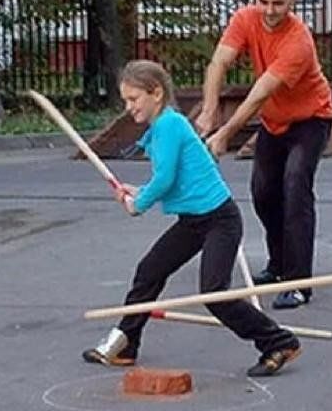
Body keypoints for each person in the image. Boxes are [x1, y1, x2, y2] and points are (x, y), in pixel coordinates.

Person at [84, 60, 303, 377]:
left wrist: (138, 203)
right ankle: (126, 344)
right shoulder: (161, 129)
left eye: (133, 99)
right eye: (126, 100)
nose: (128, 107)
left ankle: (278, 342)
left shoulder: (170, 126)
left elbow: (165, 179)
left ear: (156, 93)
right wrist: (139, 190)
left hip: (219, 220)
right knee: (149, 271)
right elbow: (171, 179)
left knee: (215, 294)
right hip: (193, 221)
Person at [195, 0, 332, 310]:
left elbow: (260, 93)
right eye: (263, 2)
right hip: (274, 122)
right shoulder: (245, 19)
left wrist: (226, 133)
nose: (270, 11)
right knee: (263, 192)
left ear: (292, 2)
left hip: (311, 119)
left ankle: (300, 282)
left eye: (278, 4)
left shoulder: (298, 40)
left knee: (295, 186)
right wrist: (209, 111)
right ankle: (278, 266)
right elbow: (218, 63)